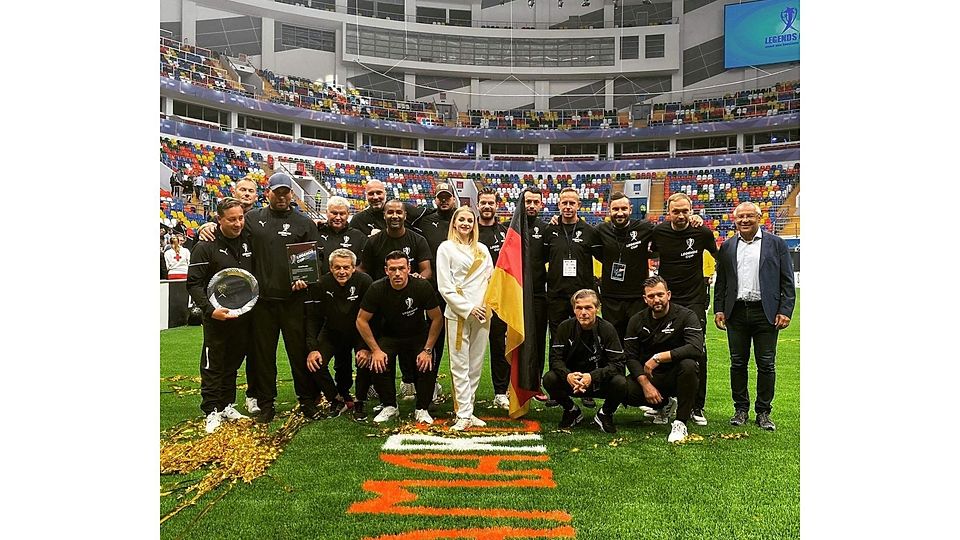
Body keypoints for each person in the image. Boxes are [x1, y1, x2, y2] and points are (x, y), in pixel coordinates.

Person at [244, 172, 320, 423]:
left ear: (291, 193)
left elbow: (314, 260)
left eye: (285, 192)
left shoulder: (304, 222)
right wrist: (208, 225)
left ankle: (307, 400)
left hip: (294, 301)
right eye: (277, 192)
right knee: (264, 355)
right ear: (268, 193)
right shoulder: (252, 219)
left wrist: (305, 279)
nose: (281, 196)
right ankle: (266, 403)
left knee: (298, 353)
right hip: (263, 302)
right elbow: (230, 233)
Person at [714, 201, 795, 431]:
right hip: (736, 313)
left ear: (760, 217)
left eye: (750, 216)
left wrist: (785, 310)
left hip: (766, 312)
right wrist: (719, 308)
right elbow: (721, 282)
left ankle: (763, 412)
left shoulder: (776, 244)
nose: (745, 220)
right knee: (737, 363)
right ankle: (740, 409)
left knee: (766, 365)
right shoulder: (728, 246)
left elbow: (787, 281)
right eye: (741, 217)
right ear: (735, 219)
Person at [185, 198, 255, 433]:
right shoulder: (206, 245)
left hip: (242, 315)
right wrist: (210, 310)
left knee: (233, 363)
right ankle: (211, 410)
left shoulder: (248, 240)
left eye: (241, 218)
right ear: (219, 220)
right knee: (213, 364)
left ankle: (227, 405)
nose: (238, 224)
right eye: (232, 219)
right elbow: (193, 284)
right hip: (215, 317)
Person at [650, 193, 716, 425]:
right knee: (664, 348)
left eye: (684, 211)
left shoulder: (702, 232)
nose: (680, 215)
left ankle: (697, 407)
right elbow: (650, 251)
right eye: (675, 211)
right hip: (667, 301)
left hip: (695, 301)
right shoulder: (659, 233)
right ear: (668, 212)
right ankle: (664, 403)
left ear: (691, 210)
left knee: (697, 351)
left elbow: (718, 256)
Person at [356, 251, 444, 424]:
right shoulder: (377, 288)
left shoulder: (421, 286)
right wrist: (375, 350)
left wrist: (427, 350)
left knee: (426, 363)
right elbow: (361, 320)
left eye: (401, 268)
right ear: (386, 270)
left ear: (409, 269)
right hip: (390, 336)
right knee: (378, 361)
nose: (397, 273)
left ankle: (422, 409)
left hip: (417, 335)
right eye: (393, 269)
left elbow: (437, 318)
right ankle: (389, 406)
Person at [622, 276, 705, 443]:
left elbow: (696, 347)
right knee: (620, 388)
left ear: (668, 295)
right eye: (651, 296)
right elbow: (630, 356)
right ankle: (663, 405)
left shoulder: (686, 315)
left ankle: (680, 422)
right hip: (651, 376)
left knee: (689, 365)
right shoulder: (636, 320)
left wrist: (659, 358)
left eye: (660, 294)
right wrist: (645, 385)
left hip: (677, 374)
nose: (656, 300)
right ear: (645, 299)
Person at [436, 206, 493, 431]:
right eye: (461, 220)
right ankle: (463, 414)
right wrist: (468, 308)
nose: (466, 224)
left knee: (475, 364)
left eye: (470, 220)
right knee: (459, 364)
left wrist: (484, 307)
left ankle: (469, 409)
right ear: (454, 222)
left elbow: (491, 280)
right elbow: (445, 286)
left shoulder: (482, 249)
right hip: (458, 313)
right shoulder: (446, 248)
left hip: (482, 314)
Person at [543, 188, 601, 407]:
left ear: (579, 205)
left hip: (582, 297)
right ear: (558, 205)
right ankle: (557, 390)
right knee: (557, 340)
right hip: (557, 296)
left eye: (572, 203)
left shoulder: (589, 231)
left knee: (585, 340)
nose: (568, 207)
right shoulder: (551, 231)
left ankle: (586, 387)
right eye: (564, 203)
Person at [541, 289, 626, 433]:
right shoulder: (565, 327)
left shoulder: (607, 329)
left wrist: (592, 376)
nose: (583, 312)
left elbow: (618, 364)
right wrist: (568, 375)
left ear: (597, 309)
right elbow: (555, 359)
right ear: (574, 309)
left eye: (588, 308)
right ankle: (571, 410)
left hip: (599, 382)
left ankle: (605, 414)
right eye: (579, 308)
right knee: (549, 379)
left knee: (621, 383)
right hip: (573, 381)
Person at [305, 248, 373, 418]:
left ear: (353, 268)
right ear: (330, 268)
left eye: (346, 267)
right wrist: (313, 348)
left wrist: (366, 346)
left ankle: (360, 401)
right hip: (332, 331)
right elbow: (313, 318)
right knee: (315, 363)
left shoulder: (365, 281)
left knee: (364, 360)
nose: (342, 271)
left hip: (359, 332)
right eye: (337, 267)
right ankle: (336, 398)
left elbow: (374, 316)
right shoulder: (322, 284)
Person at [593, 192, 654, 340]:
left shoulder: (644, 228)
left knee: (638, 341)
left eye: (623, 209)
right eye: (615, 209)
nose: (620, 213)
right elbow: (598, 254)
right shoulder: (600, 230)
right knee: (613, 341)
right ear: (609, 210)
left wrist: (694, 218)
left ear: (630, 209)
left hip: (637, 297)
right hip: (610, 297)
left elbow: (667, 232)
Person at [476, 188, 510, 409]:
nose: (487, 207)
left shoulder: (505, 233)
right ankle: (467, 392)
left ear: (497, 206)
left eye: (491, 203)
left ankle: (500, 392)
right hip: (474, 300)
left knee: (499, 347)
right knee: (471, 348)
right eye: (483, 203)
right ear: (477, 205)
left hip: (498, 300)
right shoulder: (470, 232)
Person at [316, 196, 367, 274]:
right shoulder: (316, 232)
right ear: (326, 212)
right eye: (334, 213)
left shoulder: (358, 237)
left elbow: (363, 266)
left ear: (348, 214)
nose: (338, 217)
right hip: (320, 284)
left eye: (342, 214)